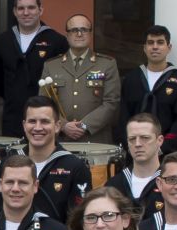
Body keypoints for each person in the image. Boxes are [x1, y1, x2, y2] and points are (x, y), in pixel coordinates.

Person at [0, 0, 68, 136]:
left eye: (31, 8)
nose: (26, 12)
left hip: (45, 118)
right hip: (13, 117)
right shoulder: (2, 42)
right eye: (21, 8)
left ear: (40, 10)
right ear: (14, 11)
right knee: (15, 159)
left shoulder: (57, 41)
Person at [39, 13, 122, 143]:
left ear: (90, 34)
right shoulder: (51, 65)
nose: (79, 34)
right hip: (61, 139)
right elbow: (44, 103)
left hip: (96, 139)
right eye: (74, 30)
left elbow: (112, 102)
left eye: (84, 30)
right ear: (67, 35)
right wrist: (63, 125)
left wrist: (84, 125)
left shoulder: (107, 64)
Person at [17, 95, 91, 228]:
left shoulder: (75, 167)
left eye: (45, 121)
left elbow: (79, 222)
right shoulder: (9, 163)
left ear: (57, 126)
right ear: (24, 125)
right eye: (32, 121)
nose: (38, 128)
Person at [120, 24, 177, 153]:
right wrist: (130, 146)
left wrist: (162, 148)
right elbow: (123, 116)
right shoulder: (131, 80)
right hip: (134, 152)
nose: (155, 47)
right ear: (144, 48)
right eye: (150, 43)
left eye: (160, 42)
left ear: (169, 47)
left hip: (165, 153)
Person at [113, 113, 167, 224]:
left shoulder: (174, 183)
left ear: (160, 140)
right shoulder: (114, 185)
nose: (137, 144)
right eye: (132, 139)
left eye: (145, 138)